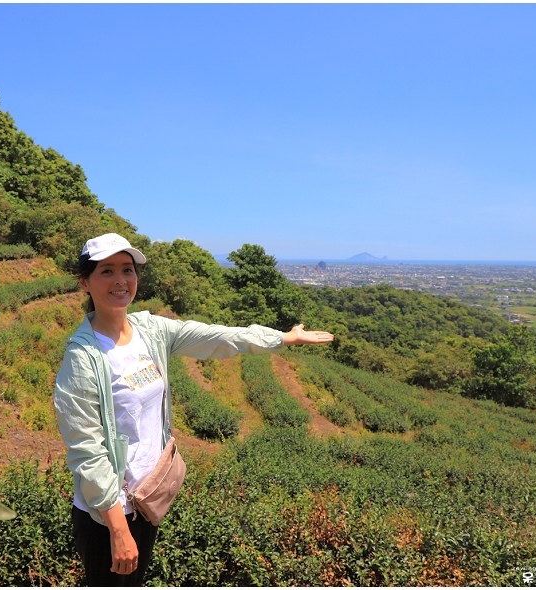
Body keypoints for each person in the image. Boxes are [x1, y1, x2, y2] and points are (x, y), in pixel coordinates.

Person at [53, 232, 334, 586]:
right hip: (108, 517)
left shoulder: (149, 330)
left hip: (147, 500)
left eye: (128, 269)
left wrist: (281, 338)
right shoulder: (83, 358)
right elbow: (88, 453)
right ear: (85, 282)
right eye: (106, 271)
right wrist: (119, 529)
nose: (121, 280)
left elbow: (215, 337)